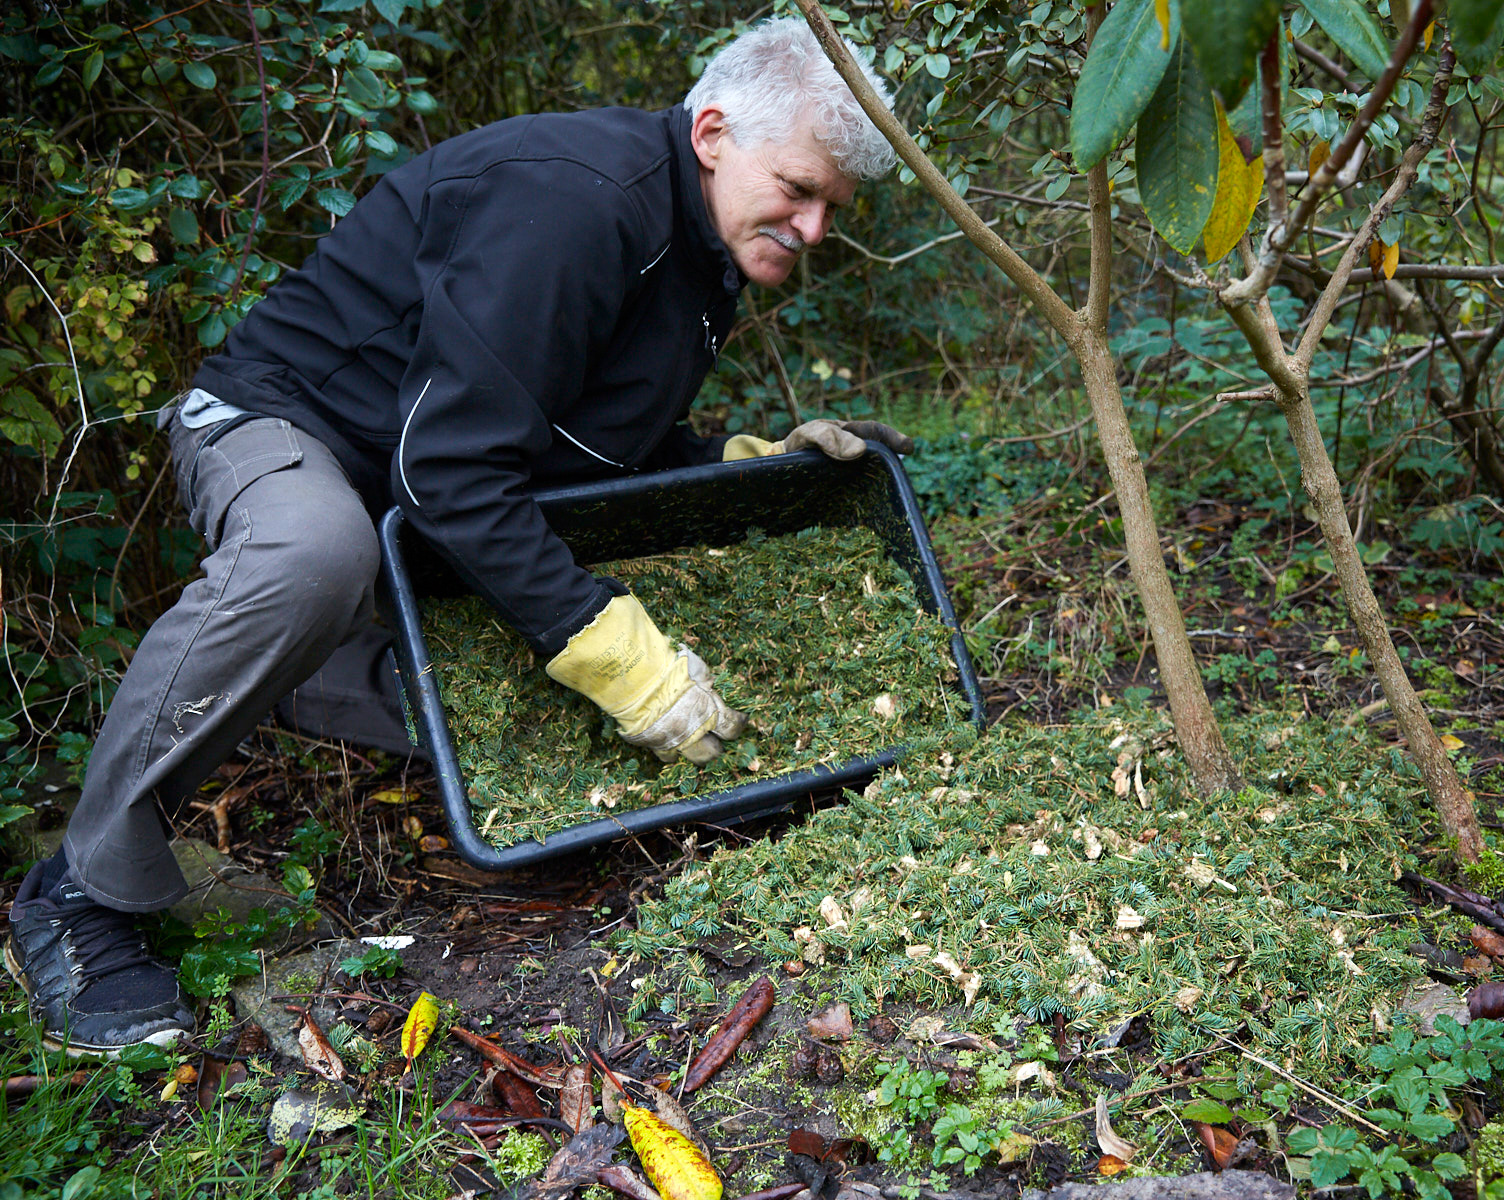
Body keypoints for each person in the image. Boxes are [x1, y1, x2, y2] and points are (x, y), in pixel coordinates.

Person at [6, 17, 910, 1057]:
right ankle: (78, 893)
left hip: (417, 493)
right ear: (712, 134)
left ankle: (301, 670)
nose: (813, 228)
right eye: (798, 189)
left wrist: (741, 464)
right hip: (293, 428)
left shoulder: (704, 253)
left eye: (833, 208)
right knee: (318, 557)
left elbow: (591, 444)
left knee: (523, 666)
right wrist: (622, 658)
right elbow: (449, 469)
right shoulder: (578, 201)